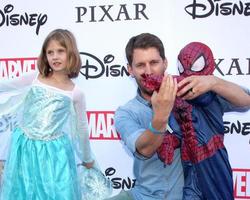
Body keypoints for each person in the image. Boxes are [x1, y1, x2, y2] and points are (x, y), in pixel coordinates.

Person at [107, 33, 250, 200]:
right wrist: (162, 114)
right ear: (130, 70)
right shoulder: (126, 112)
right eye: (140, 65)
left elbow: (246, 100)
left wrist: (213, 82)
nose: (148, 71)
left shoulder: (191, 92)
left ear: (165, 63)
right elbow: (144, 149)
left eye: (154, 63)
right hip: (145, 196)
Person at [0, 29, 111, 200]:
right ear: (45, 56)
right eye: (50, 52)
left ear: (71, 53)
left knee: (55, 192)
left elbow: (81, 128)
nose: (55, 56)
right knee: (23, 190)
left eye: (60, 51)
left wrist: (87, 158)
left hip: (55, 153)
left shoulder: (75, 93)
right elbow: (8, 86)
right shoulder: (35, 78)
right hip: (24, 147)